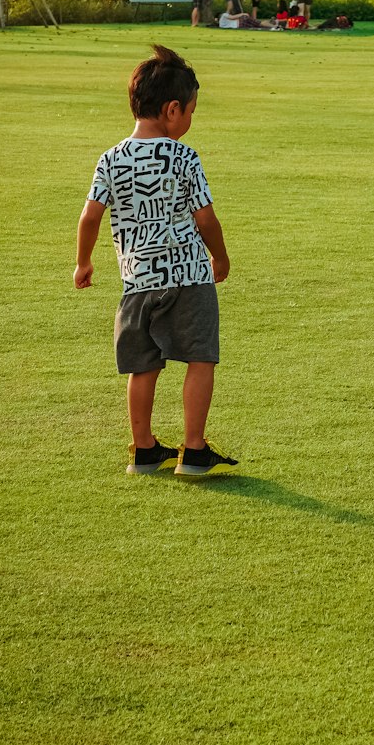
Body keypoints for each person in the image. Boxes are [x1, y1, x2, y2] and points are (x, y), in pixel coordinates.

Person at [74, 44, 237, 479]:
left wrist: (84, 262)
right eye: (190, 112)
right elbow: (206, 218)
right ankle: (195, 450)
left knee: (142, 365)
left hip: (136, 281)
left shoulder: (110, 158)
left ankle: (144, 450)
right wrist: (219, 258)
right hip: (188, 277)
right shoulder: (184, 156)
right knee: (200, 358)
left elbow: (91, 215)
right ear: (172, 109)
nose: (189, 122)